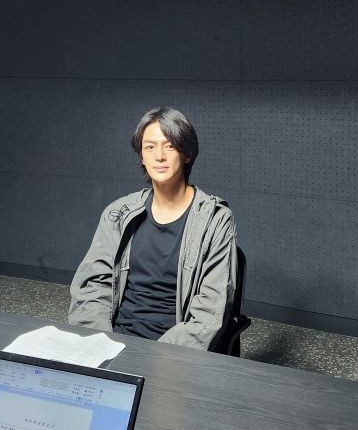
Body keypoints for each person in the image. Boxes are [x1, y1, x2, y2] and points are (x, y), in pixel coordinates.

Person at [68, 107, 239, 351]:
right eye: (150, 147)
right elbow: (93, 287)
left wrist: (155, 358)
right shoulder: (119, 214)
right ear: (142, 157)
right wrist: (101, 344)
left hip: (174, 350)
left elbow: (210, 312)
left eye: (170, 146)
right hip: (114, 341)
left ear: (187, 153)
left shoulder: (215, 220)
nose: (159, 156)